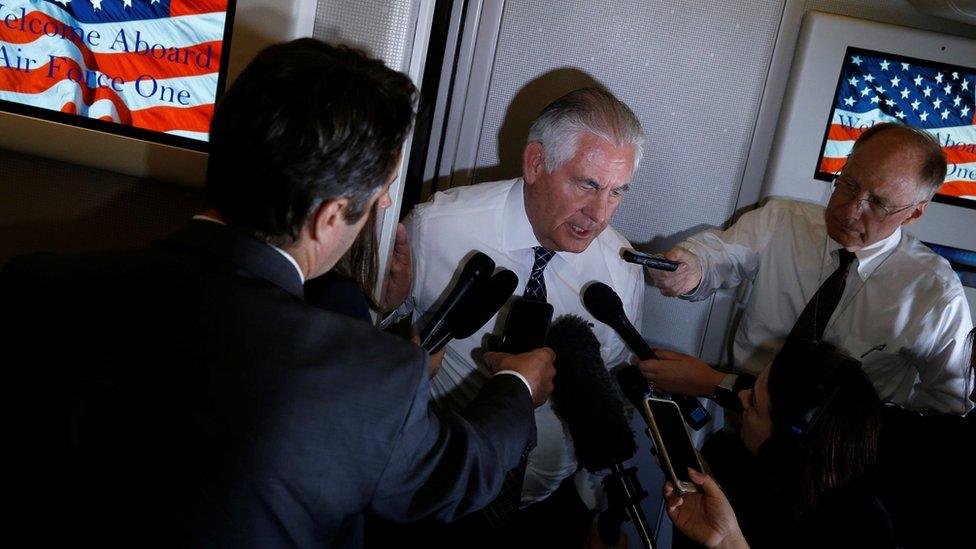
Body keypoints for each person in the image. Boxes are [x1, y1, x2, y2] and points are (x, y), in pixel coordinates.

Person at [0, 39, 557, 547]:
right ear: (330, 216)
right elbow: (460, 474)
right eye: (384, 189)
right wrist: (515, 386)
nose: (386, 204)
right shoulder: (366, 377)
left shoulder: (33, 286)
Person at [383, 87, 646, 540]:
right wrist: (385, 310)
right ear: (536, 164)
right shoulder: (436, 228)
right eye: (587, 184)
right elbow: (368, 349)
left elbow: (609, 394)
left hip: (546, 511)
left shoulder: (619, 272)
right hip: (435, 495)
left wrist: (598, 505)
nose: (600, 214)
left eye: (617, 192)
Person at [641, 122, 973, 415]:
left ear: (914, 213)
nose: (851, 211)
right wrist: (692, 268)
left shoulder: (934, 293)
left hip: (841, 467)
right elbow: (719, 255)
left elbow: (949, 405)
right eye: (849, 184)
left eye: (878, 203)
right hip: (740, 426)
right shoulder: (783, 220)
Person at [665, 344, 896, 548]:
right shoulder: (727, 452)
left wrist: (727, 541)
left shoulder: (866, 534)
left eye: (754, 403)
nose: (742, 396)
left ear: (782, 446)